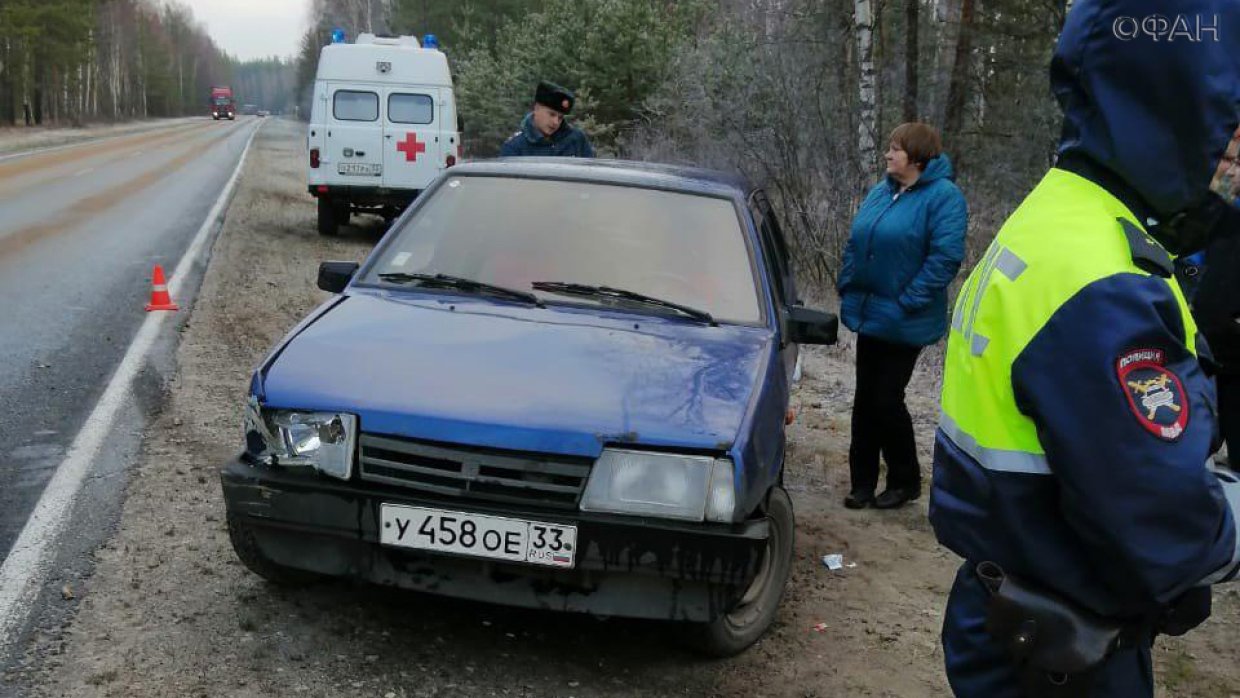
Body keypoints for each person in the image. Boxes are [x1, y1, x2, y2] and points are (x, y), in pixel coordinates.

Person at [929, 1, 1240, 696]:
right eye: (1226, 116)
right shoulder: (1106, 282)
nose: (1230, 146)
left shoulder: (1058, 213)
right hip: (1065, 652)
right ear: (1178, 107)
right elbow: (1166, 527)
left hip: (1005, 611)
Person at [836, 122, 967, 510]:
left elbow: (945, 259)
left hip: (905, 319)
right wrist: (847, 280)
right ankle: (861, 483)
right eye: (889, 148)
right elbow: (857, 240)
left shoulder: (945, 198)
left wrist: (909, 299)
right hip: (870, 312)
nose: (888, 155)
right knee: (865, 398)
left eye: (895, 149)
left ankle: (905, 480)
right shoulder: (883, 191)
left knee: (886, 399)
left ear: (918, 157)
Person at [1189, 145, 1240, 470]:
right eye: (1230, 161)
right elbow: (1189, 251)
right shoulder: (1216, 214)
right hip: (1203, 343)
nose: (1234, 170)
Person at [499, 81, 595, 158]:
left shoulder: (576, 139)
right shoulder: (515, 148)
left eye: (560, 117)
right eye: (551, 114)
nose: (555, 122)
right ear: (536, 108)